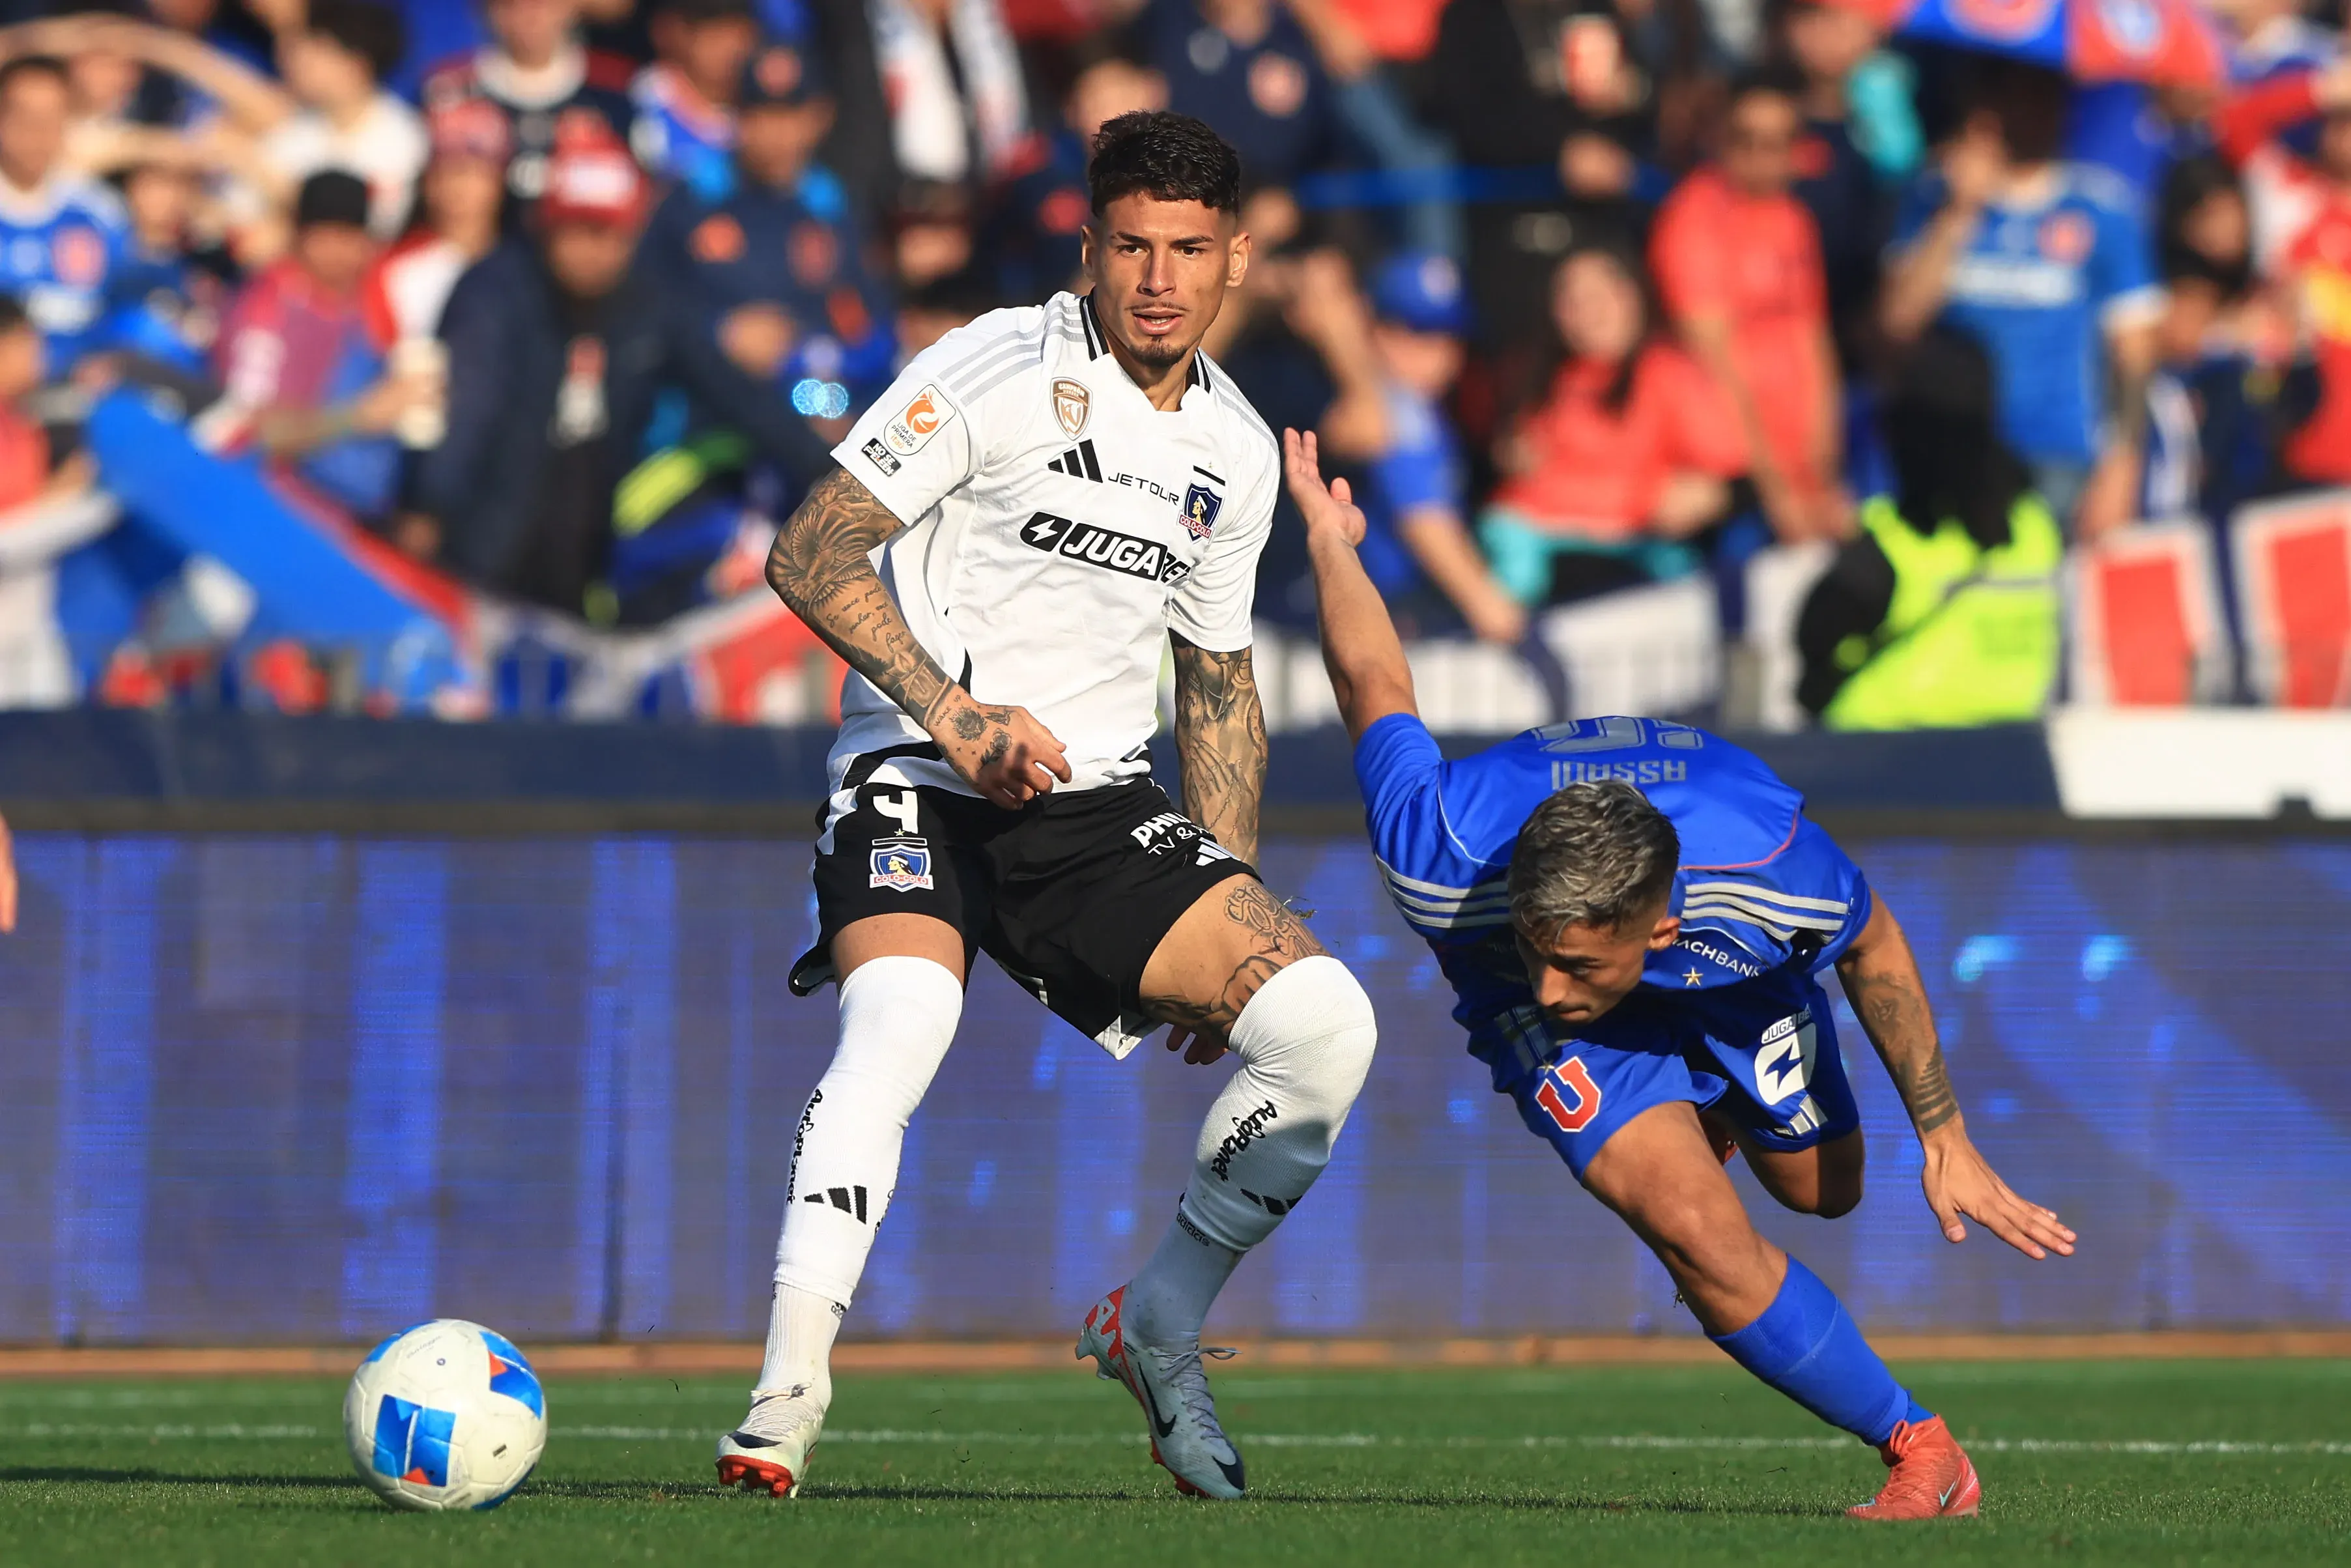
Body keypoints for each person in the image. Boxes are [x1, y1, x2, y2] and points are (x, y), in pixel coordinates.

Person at [716, 108, 1377, 1504]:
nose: (1156, 278)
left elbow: (1216, 689)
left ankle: (1159, 1323)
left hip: (1087, 802)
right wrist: (951, 710)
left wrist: (1224, 876)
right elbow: (811, 551)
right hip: (917, 762)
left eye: (1187, 250)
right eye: (1129, 245)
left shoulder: (1237, 453)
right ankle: (784, 1395)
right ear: (1087, 246)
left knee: (1323, 1021)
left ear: (1235, 262)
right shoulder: (993, 364)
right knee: (902, 1019)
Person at [1283, 419, 2074, 1521]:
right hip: (1574, 1023)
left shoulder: (1769, 872)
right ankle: (1920, 1446)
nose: (1553, 985)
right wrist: (1330, 540)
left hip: (1745, 993)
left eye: (1574, 960)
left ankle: (1721, 1105)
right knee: (1695, 1231)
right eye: (1535, 945)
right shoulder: (1444, 852)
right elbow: (1375, 684)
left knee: (1821, 1190)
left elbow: (1876, 946)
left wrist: (1941, 1132)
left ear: (1656, 928)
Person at [409, 126, 833, 615]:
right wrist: (429, 510)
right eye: (577, 228)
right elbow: (465, 412)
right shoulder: (495, 294)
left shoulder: (643, 303)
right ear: (548, 225)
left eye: (608, 231)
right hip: (484, 543)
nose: (593, 249)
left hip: (583, 546)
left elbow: (733, 390)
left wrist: (829, 467)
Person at [1879, 58, 2161, 539]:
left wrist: (2122, 470)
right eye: (2018, 93)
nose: (2038, 108)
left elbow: (2134, 353)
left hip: (2057, 458)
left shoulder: (2101, 209)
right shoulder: (1931, 198)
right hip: (1948, 456)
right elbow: (1897, 323)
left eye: (2047, 93)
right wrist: (1959, 212)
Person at [1795, 328, 2061, 729]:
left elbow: (1812, 634)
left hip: (1881, 761)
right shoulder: (2035, 526)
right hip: (2010, 758)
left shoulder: (1896, 542)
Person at [1480, 242, 1745, 606]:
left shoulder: (1670, 372)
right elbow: (1520, 479)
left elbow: (1725, 477)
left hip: (1641, 550)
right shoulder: (1544, 381)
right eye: (1572, 302)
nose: (1589, 312)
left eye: (1601, 295)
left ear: (1632, 296)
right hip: (1549, 547)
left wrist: (1712, 495)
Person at [1650, 66, 1848, 544]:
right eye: (1747, 140)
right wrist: (1776, 489)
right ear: (1719, 138)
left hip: (1801, 464)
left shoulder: (1792, 218)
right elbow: (1715, 364)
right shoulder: (1693, 220)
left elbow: (1812, 338)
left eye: (1778, 142)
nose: (1763, 158)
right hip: (1738, 472)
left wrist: (1821, 471)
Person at [1290, 248, 1518, 642]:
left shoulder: (1425, 406)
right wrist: (1491, 608)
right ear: (1373, 328)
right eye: (1416, 332)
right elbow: (1426, 522)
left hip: (1399, 612)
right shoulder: (1389, 409)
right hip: (1379, 617)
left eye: (1450, 335)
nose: (1441, 354)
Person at [205, 169, 429, 522]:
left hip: (338, 523)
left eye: (349, 237)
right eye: (323, 237)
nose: (338, 252)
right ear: (298, 237)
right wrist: (359, 417)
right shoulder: (267, 305)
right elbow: (245, 430)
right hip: (257, 509)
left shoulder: (369, 305)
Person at [2214, 59, 2351, 489]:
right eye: (2342, 121)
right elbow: (2232, 119)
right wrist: (2322, 88)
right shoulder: (2288, 191)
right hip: (2303, 449)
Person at [420, 0, 636, 216]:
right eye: (511, 5)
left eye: (542, 4)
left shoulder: (615, 88)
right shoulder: (449, 89)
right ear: (487, 11)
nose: (529, 16)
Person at [0, 55, 128, 371]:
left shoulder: (100, 210)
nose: (37, 131)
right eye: (24, 116)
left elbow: (119, 306)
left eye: (52, 117)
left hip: (77, 393)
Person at [629, 0, 763, 201]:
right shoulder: (642, 99)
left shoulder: (762, 113)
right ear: (679, 33)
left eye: (736, 34)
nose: (728, 49)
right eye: (714, 35)